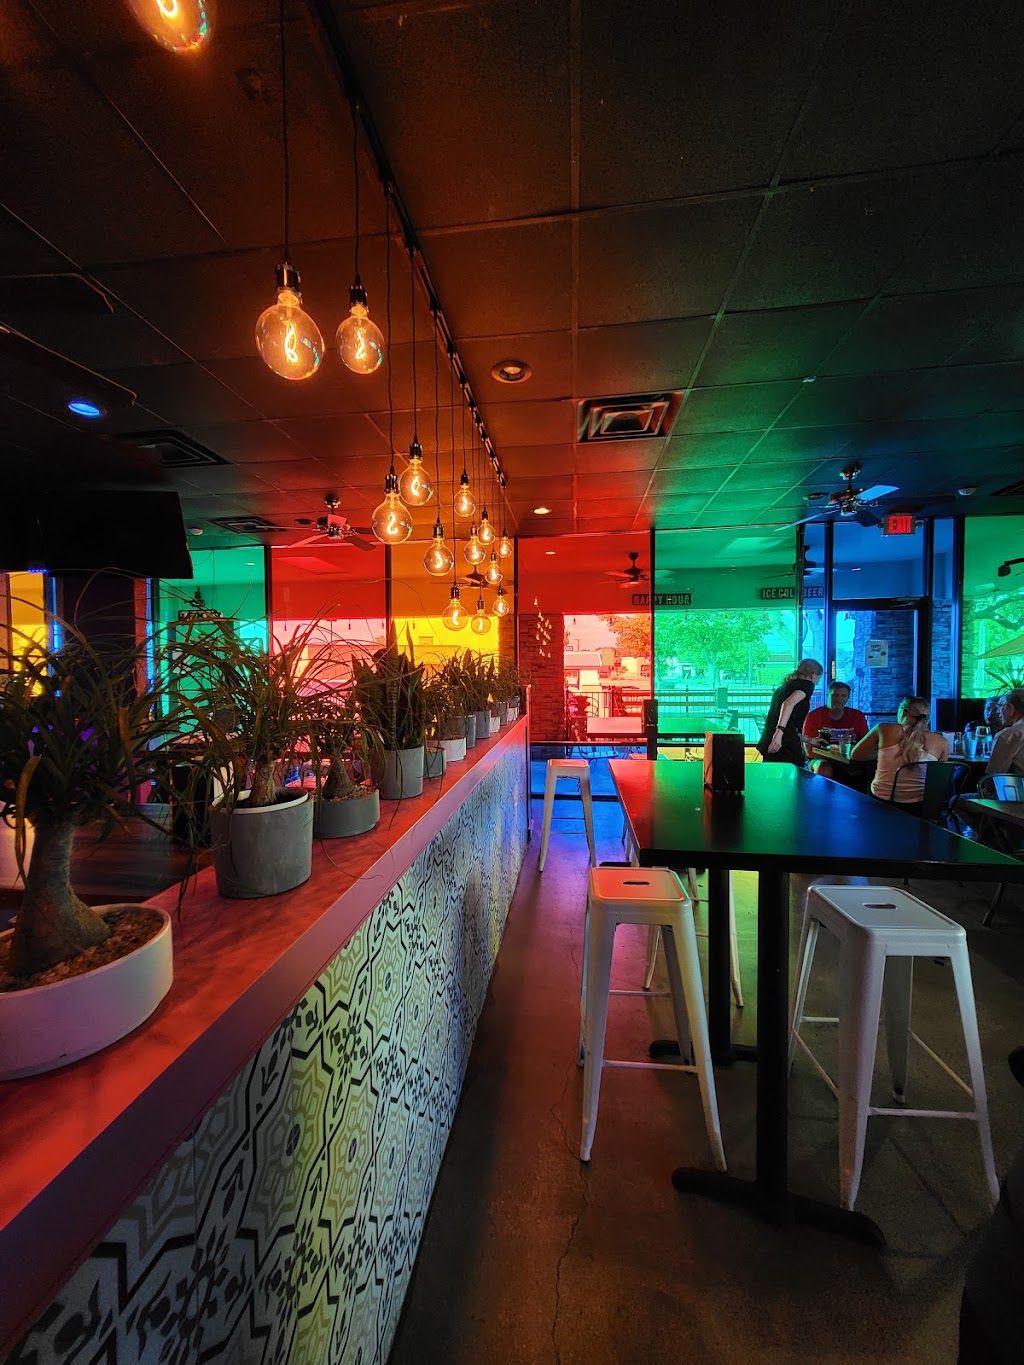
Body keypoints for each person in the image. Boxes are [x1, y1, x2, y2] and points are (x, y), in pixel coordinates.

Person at [851, 695, 949, 815]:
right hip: (919, 808)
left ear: (903, 712)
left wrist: (882, 755)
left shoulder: (883, 729)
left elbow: (856, 754)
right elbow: (941, 781)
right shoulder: (942, 742)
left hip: (881, 801)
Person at [756, 659, 824, 767]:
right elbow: (788, 704)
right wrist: (779, 733)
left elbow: (789, 725)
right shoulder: (807, 685)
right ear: (813, 675)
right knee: (795, 774)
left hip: (771, 740)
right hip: (784, 744)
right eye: (819, 678)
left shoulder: (784, 687)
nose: (818, 682)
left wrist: (809, 740)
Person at [802, 681, 869, 777]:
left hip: (851, 759)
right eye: (835, 695)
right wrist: (837, 758)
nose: (839, 699)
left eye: (843, 696)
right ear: (828, 696)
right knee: (824, 767)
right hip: (821, 758)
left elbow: (866, 743)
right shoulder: (814, 716)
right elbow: (809, 751)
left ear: (848, 698)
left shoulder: (857, 716)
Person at [986, 688, 1024, 776]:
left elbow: (995, 775)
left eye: (1000, 706)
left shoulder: (1009, 735)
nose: (998, 711)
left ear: (1011, 708)